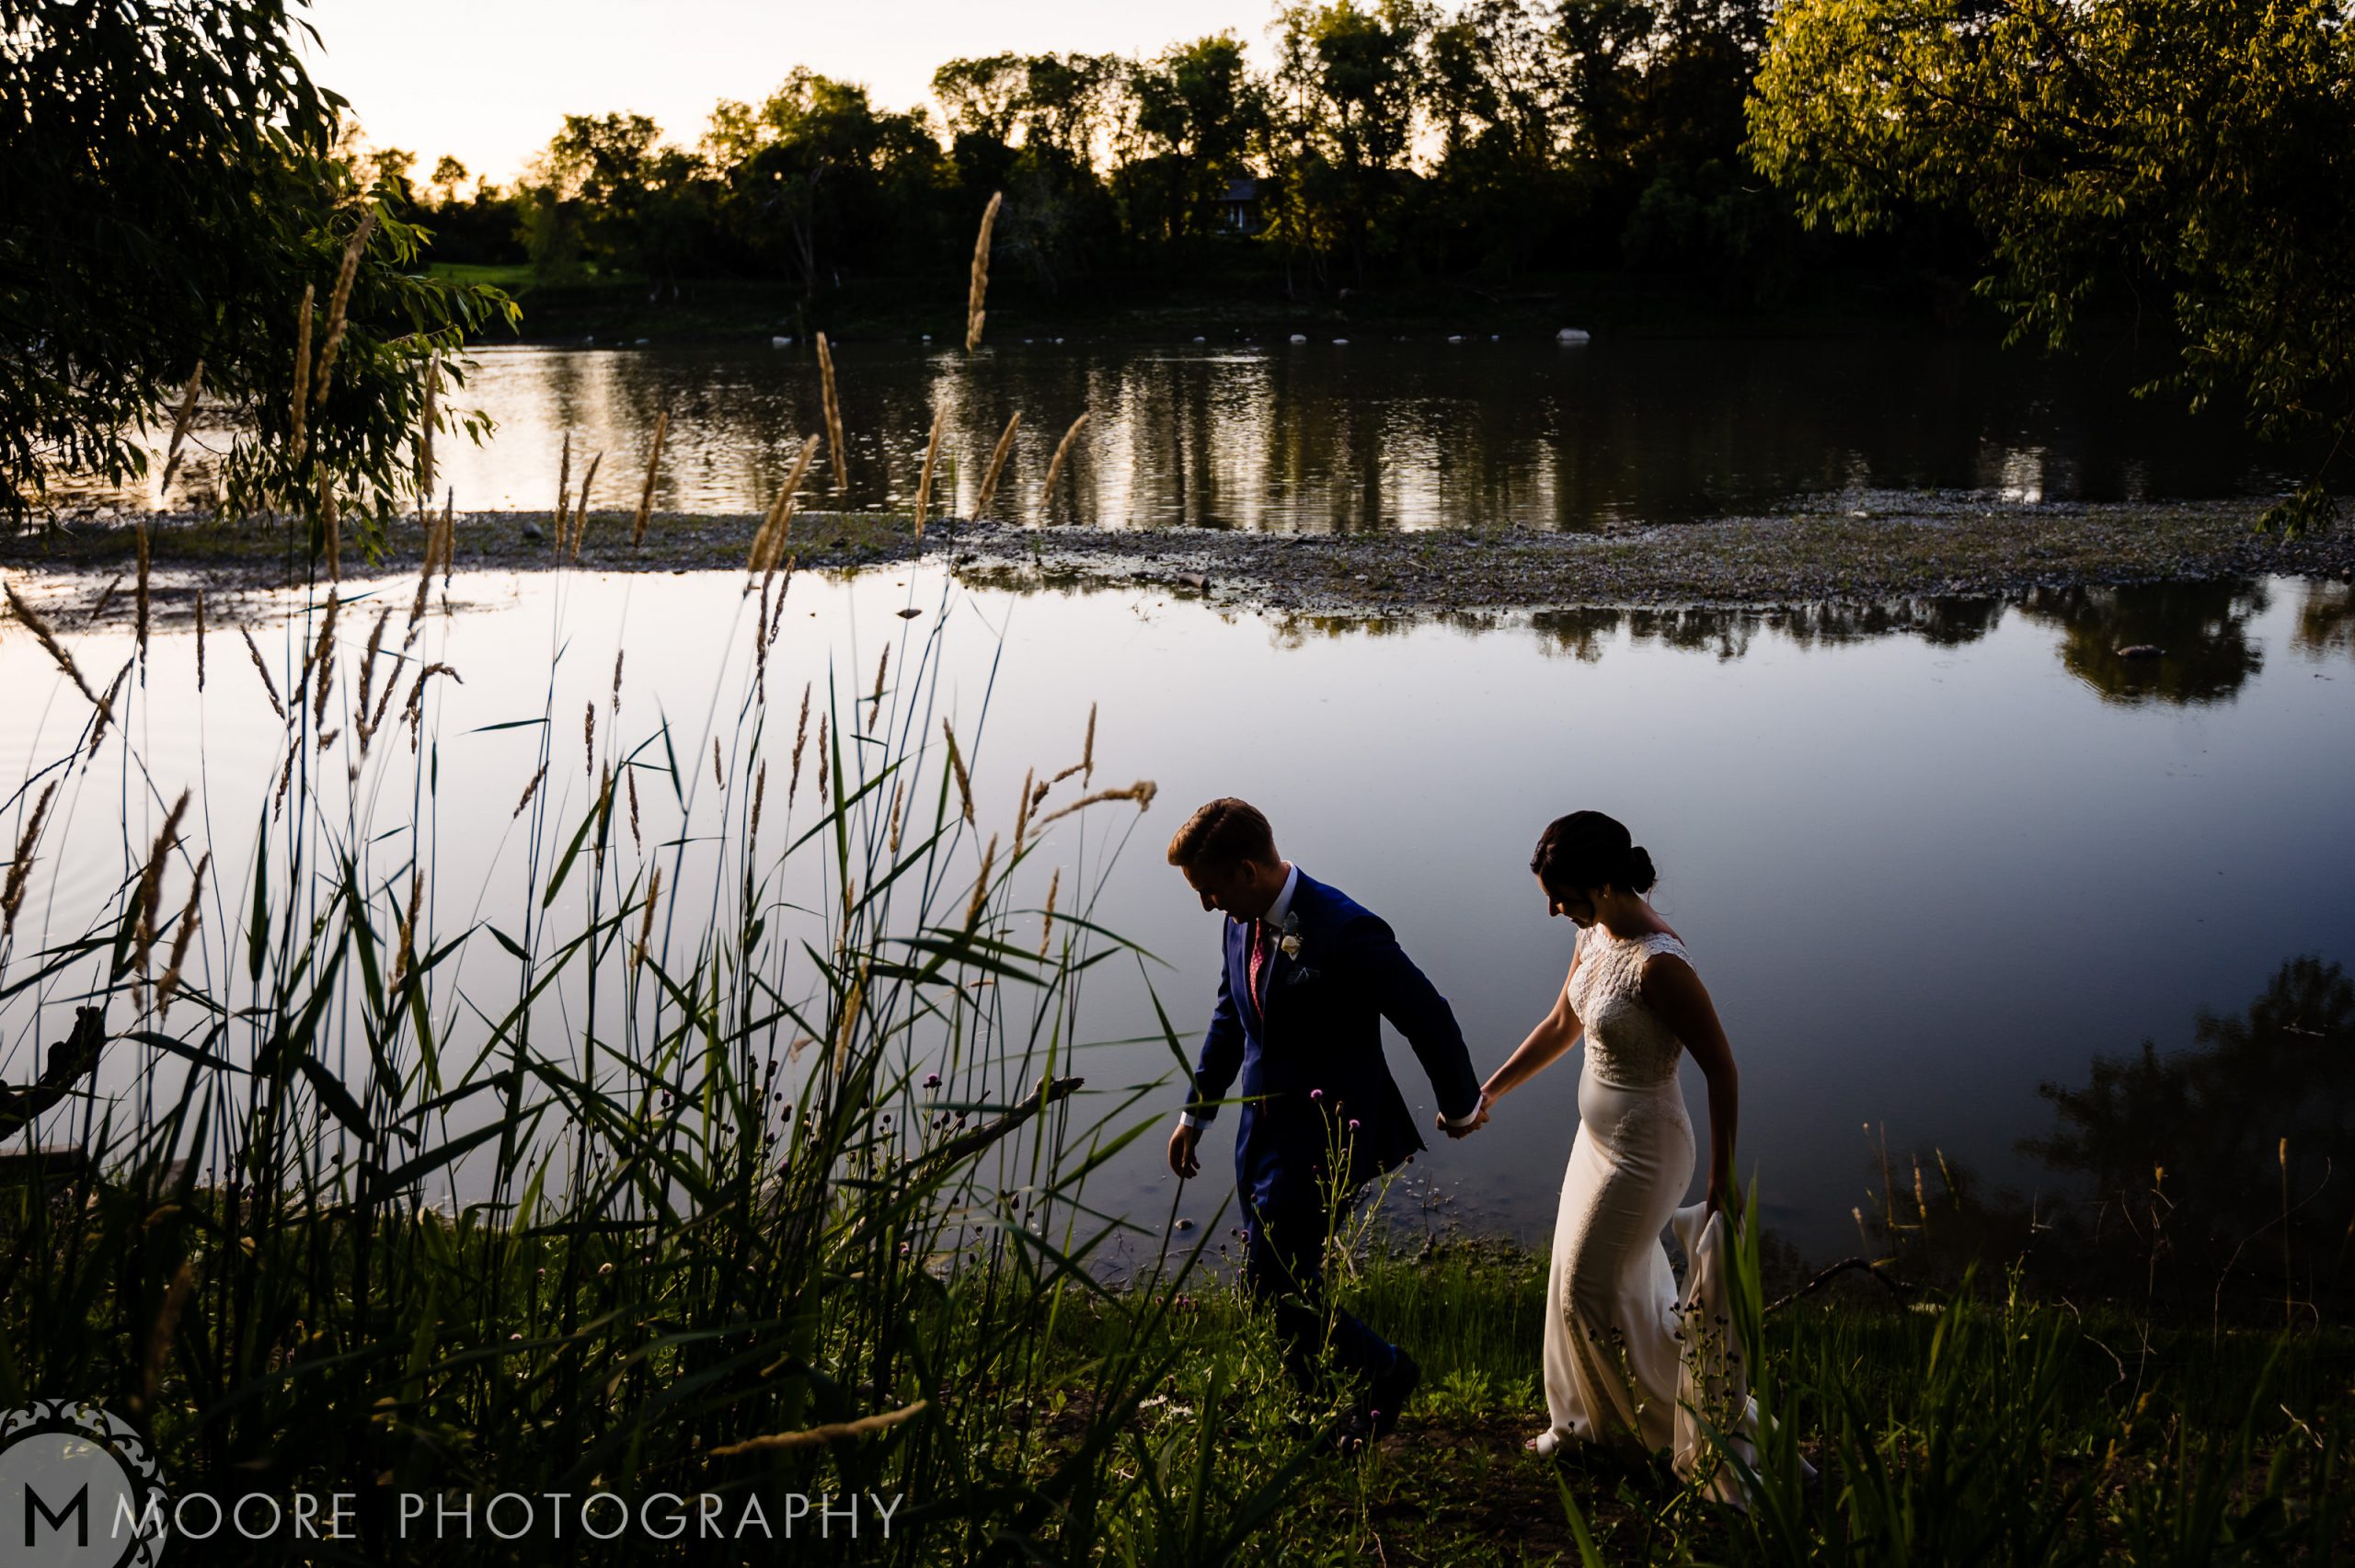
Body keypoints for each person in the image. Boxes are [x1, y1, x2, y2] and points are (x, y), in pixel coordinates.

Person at [1165, 797, 1488, 1454]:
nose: (1207, 904)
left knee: (1272, 1281)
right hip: (1258, 1134)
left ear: (1249, 870)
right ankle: (1308, 1406)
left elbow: (1425, 1012)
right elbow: (1232, 1016)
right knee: (1281, 1281)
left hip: (1326, 1137)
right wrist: (1196, 1112)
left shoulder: (1344, 928)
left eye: (1211, 889)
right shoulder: (1241, 921)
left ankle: (1385, 1371)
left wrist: (1461, 1104)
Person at [1478, 809, 1785, 1500]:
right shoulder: (1593, 935)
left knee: (1590, 1290)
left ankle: (1659, 1439)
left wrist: (1722, 1177)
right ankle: (1590, 1424)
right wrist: (1489, 1090)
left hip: (1647, 1150)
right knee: (1579, 1285)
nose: (1556, 909)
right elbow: (1563, 1022)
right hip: (1595, 1143)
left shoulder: (1660, 963)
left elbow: (1723, 1068)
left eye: (1563, 895)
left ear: (1606, 882)